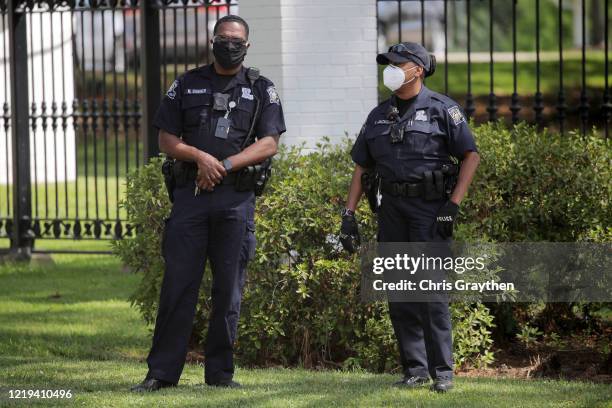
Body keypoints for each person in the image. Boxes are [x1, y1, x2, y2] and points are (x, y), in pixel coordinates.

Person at [131, 14, 286, 392]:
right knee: (178, 287)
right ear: (212, 40)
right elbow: (166, 139)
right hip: (191, 200)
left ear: (246, 46)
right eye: (223, 38)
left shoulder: (261, 88)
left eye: (236, 40)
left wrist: (225, 165)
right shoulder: (186, 83)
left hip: (236, 201)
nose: (229, 44)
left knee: (228, 293)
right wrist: (200, 158)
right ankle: (161, 375)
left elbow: (269, 143)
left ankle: (220, 375)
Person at [340, 42, 480, 393]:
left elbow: (470, 156)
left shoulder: (441, 109)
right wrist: (349, 214)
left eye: (397, 63)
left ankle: (443, 373)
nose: (390, 68)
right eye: (387, 63)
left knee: (431, 291)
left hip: (430, 210)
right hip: (392, 210)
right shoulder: (378, 115)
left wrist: (454, 205)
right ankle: (415, 370)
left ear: (417, 69)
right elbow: (362, 166)